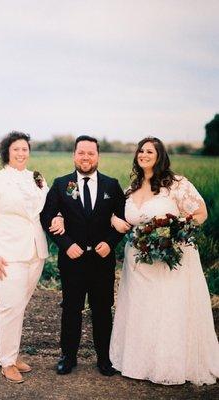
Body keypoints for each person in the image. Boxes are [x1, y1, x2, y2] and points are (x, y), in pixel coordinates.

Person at [110, 137, 219, 385]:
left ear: (160, 156)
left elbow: (200, 213)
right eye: (141, 150)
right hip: (137, 263)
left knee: (166, 309)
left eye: (150, 151)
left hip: (168, 260)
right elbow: (120, 218)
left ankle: (168, 365)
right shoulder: (133, 186)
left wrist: (172, 233)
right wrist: (112, 221)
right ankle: (141, 363)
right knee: (142, 308)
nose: (144, 154)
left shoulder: (177, 184)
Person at [0, 131, 64, 383]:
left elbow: (48, 208)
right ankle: (6, 361)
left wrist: (59, 217)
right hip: (7, 254)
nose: (21, 153)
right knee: (10, 306)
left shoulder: (36, 178)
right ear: (7, 152)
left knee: (19, 306)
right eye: (16, 149)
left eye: (25, 149)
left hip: (35, 252)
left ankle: (11, 355)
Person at [40, 135, 125, 376]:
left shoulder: (111, 185)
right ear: (74, 155)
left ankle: (104, 359)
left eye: (90, 153)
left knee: (102, 309)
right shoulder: (61, 184)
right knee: (71, 308)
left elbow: (123, 219)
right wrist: (66, 244)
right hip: (72, 261)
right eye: (81, 153)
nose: (85, 157)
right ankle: (68, 357)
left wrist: (111, 243)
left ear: (98, 156)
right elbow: (46, 217)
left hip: (101, 261)